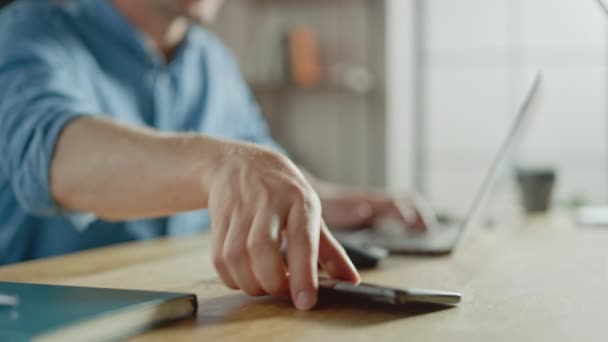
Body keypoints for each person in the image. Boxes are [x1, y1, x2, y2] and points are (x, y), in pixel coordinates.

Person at [0, 0, 431, 310]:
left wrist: (333, 201)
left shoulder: (213, 61)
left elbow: (265, 167)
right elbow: (54, 156)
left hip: (189, 313)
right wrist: (216, 164)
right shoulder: (30, 27)